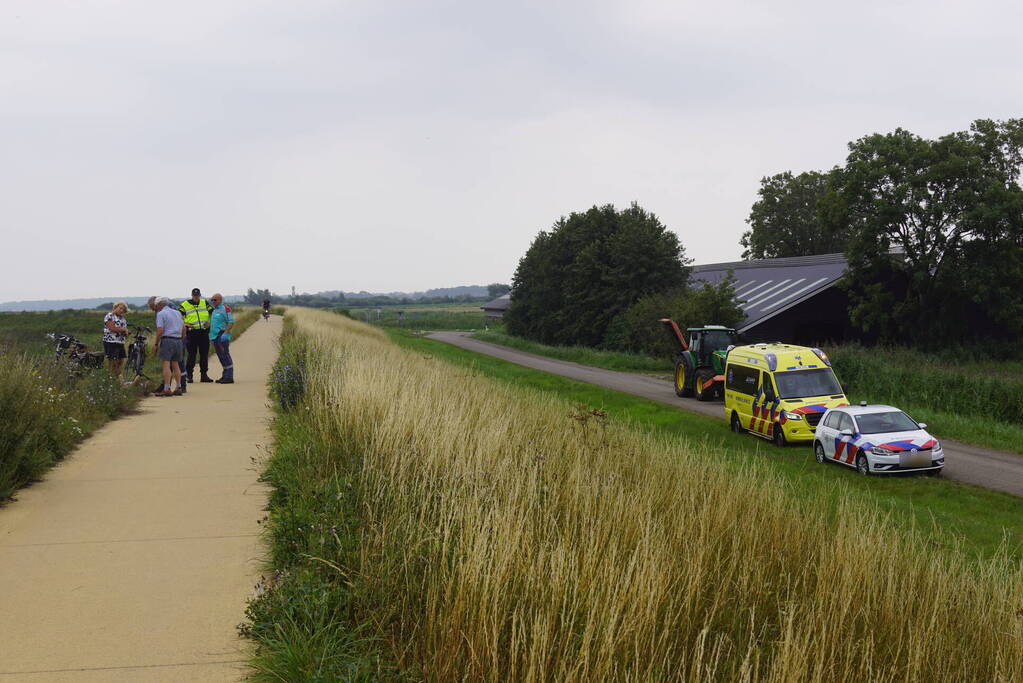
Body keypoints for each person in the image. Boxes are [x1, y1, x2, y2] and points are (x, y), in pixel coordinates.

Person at [149, 296, 185, 396]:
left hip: (167, 339)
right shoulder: (177, 313)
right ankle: (178, 387)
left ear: (160, 304)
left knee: (166, 364)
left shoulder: (161, 314)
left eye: (156, 305)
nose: (155, 307)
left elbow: (160, 330)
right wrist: (181, 339)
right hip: (178, 340)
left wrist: (156, 343)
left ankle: (167, 388)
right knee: (176, 364)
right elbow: (183, 328)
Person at [180, 287, 213, 383]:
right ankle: (189, 375)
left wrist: (210, 322)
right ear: (192, 295)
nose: (196, 297)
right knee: (192, 355)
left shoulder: (204, 302)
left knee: (204, 355)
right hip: (192, 333)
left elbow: (213, 313)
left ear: (200, 295)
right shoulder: (184, 305)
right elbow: (177, 316)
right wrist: (185, 324)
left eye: (197, 295)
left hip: (203, 332)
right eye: (194, 296)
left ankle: (204, 375)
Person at [209, 293, 235, 384]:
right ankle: (225, 375)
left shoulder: (225, 308)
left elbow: (231, 322)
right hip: (215, 336)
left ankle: (229, 377)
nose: (213, 302)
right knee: (221, 356)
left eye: (215, 300)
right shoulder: (214, 310)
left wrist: (226, 333)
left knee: (225, 355)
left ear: (220, 300)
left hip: (222, 334)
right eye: (212, 300)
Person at [102, 301, 130, 377]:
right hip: (110, 341)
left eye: (123, 310)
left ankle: (116, 376)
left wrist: (126, 333)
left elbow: (123, 329)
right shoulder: (109, 316)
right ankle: (111, 377)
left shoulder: (123, 319)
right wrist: (124, 330)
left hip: (120, 342)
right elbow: (112, 328)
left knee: (121, 360)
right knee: (113, 361)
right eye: (120, 308)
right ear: (115, 307)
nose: (121, 310)